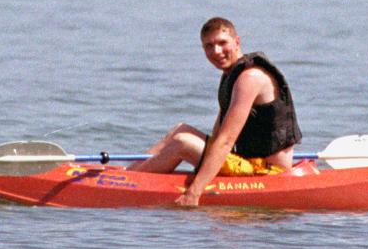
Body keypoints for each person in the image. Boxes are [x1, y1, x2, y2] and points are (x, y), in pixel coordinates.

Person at [128, 17, 302, 206]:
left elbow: (225, 141)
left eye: (222, 43)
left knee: (182, 143)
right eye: (209, 46)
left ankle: (127, 186)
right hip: (246, 162)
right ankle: (125, 176)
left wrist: (194, 192)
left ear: (237, 42)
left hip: (267, 172)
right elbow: (217, 136)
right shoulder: (231, 76)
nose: (216, 51)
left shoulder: (249, 78)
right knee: (180, 130)